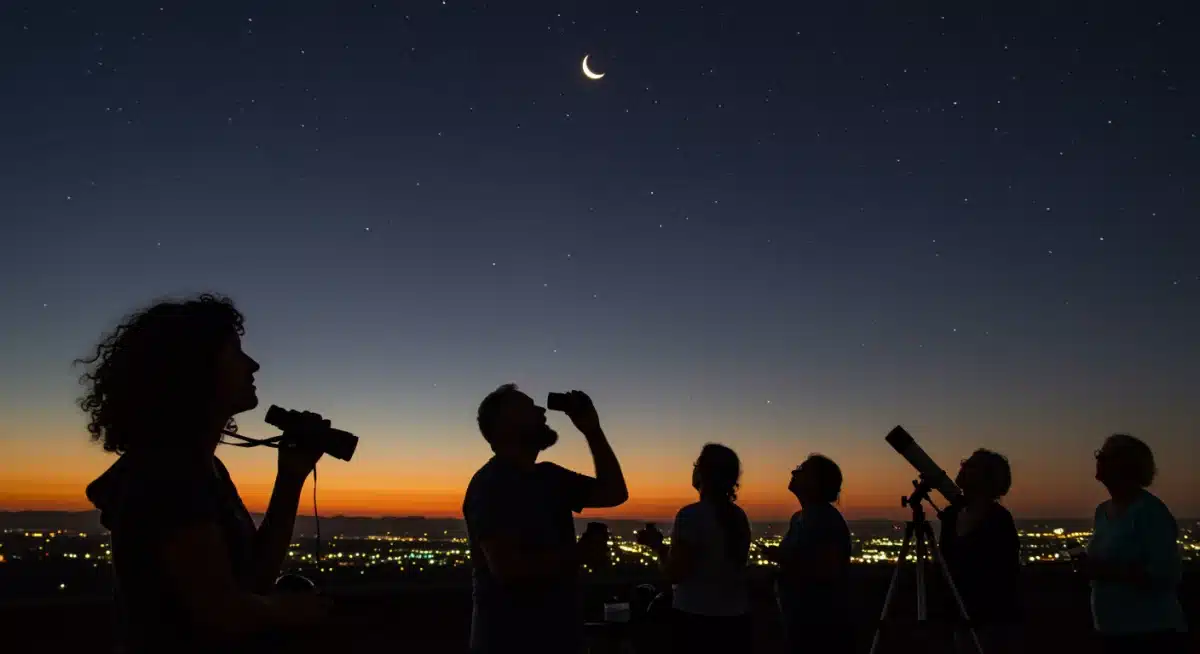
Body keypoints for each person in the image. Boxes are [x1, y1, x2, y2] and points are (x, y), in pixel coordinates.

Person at [79, 294, 328, 653]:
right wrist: (290, 609)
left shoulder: (200, 468)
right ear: (196, 368)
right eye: (236, 352)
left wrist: (290, 477)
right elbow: (220, 610)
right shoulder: (168, 472)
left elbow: (252, 580)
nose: (253, 365)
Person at [462, 385, 629, 654]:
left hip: (559, 637)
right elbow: (508, 569)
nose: (541, 410)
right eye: (528, 408)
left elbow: (614, 492)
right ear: (505, 427)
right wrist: (580, 553)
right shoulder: (493, 484)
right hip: (510, 641)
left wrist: (592, 429)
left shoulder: (550, 477)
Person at [1081, 434, 1187, 653]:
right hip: (1110, 629)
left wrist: (1107, 571)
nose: (1098, 460)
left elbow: (1167, 573)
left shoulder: (1150, 512)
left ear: (1126, 465)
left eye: (1104, 456)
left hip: (1150, 632)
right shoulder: (1102, 511)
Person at [642, 443, 752, 653]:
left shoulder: (691, 516)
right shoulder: (739, 517)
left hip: (697, 619)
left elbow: (676, 573)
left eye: (697, 464)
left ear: (703, 473)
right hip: (735, 619)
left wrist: (657, 546)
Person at [939, 449, 1021, 653]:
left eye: (972, 465)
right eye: (965, 462)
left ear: (989, 478)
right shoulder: (951, 516)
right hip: (957, 614)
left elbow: (1003, 575)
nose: (963, 467)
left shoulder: (999, 520)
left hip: (988, 620)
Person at [773, 454, 853, 653]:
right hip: (796, 615)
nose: (794, 472)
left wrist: (785, 559)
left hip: (818, 620)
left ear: (816, 482)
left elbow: (828, 571)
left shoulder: (826, 520)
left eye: (801, 469)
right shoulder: (799, 518)